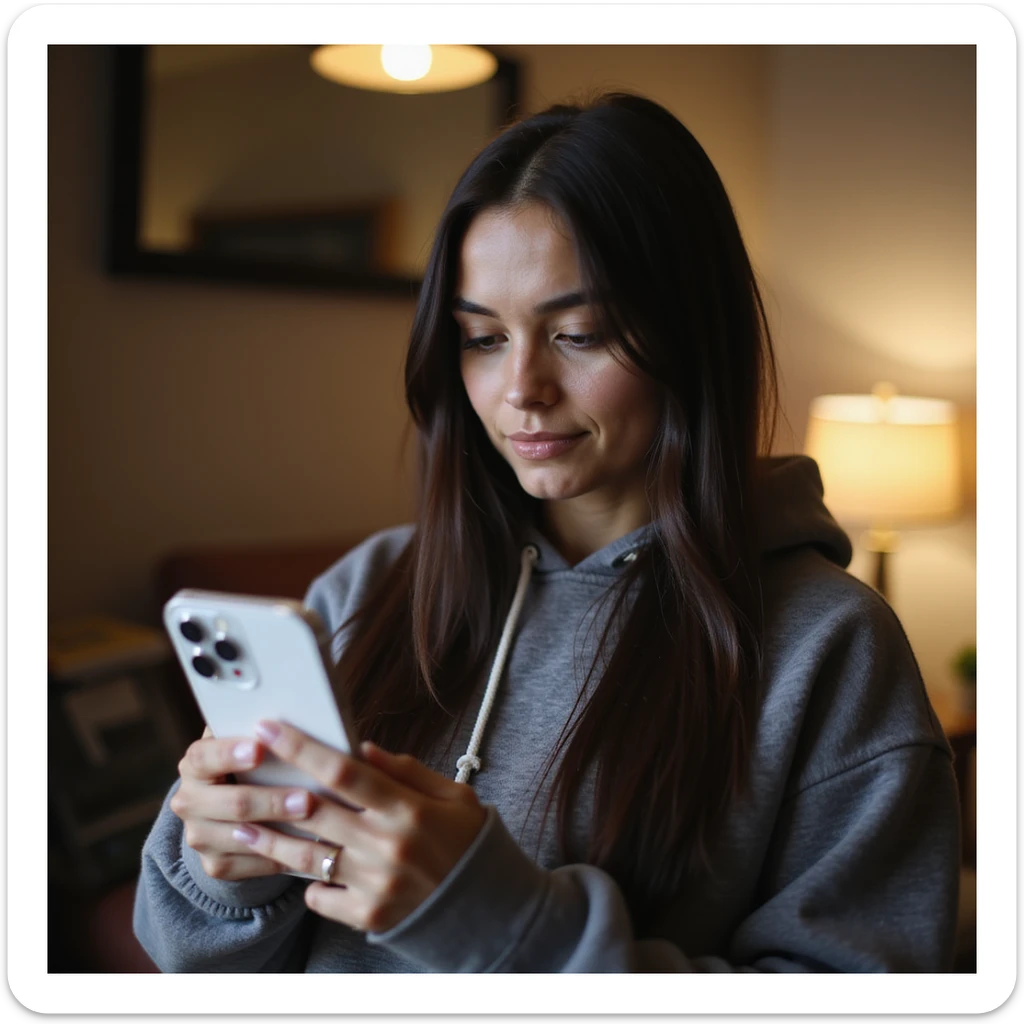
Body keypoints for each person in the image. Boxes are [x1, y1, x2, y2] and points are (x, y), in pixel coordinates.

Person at [134, 92, 960, 973]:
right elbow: (185, 955)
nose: (521, 387)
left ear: (691, 336)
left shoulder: (828, 648)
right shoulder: (370, 586)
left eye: (578, 333)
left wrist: (502, 924)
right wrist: (225, 874)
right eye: (482, 338)